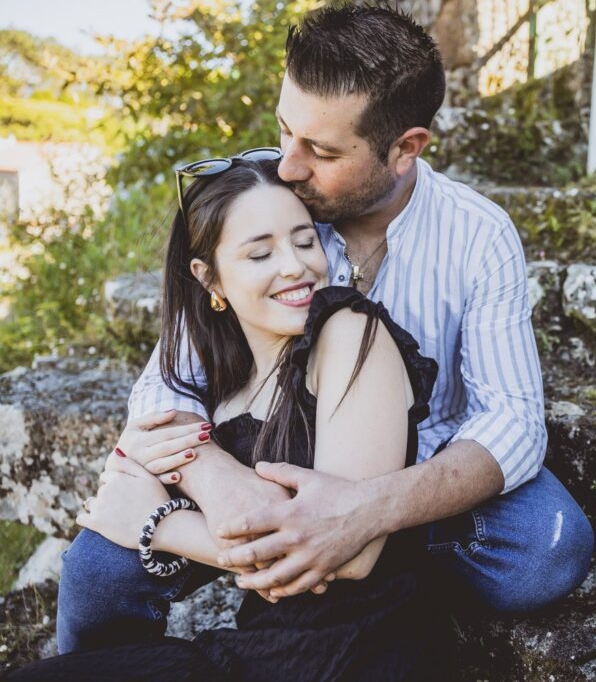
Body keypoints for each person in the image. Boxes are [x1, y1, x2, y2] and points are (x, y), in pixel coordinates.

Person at [57, 3, 593, 654]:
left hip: (417, 480)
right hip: (266, 462)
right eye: (287, 131)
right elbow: (163, 385)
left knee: (545, 547)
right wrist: (220, 483)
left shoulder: (477, 236)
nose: (288, 165)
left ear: (406, 149)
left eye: (321, 149)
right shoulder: (263, 198)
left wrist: (366, 511)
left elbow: (512, 419)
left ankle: (368, 566)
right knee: (95, 572)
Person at [15, 155, 441, 679]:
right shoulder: (222, 379)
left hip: (350, 652)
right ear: (209, 278)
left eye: (305, 241)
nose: (295, 266)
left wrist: (160, 525)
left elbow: (350, 556)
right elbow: (147, 425)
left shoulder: (350, 330)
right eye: (260, 253)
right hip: (261, 647)